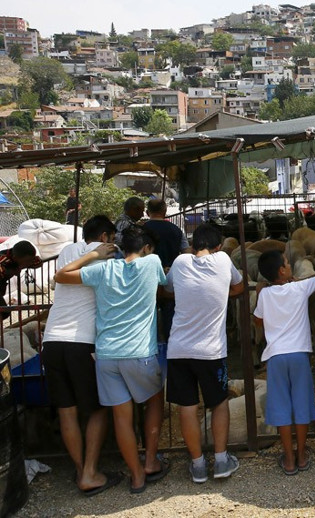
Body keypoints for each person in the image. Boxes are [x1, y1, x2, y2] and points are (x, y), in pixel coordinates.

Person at [55, 227, 170, 494]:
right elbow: (163, 285)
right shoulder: (152, 263)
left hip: (106, 357)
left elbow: (60, 276)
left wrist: (92, 255)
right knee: (155, 399)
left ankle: (136, 476)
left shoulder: (103, 270)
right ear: (146, 248)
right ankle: (151, 461)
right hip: (140, 353)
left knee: (121, 418)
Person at [41, 215, 122, 496]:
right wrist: (98, 254)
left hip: (51, 341)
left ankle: (79, 470)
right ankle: (89, 473)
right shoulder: (105, 259)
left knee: (67, 412)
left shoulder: (67, 251)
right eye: (112, 239)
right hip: (82, 342)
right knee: (97, 410)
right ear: (104, 237)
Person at [163, 224, 244, 483]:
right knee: (218, 403)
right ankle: (221, 460)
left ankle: (197, 464)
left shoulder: (180, 262)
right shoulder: (222, 260)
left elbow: (169, 290)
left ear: (192, 244)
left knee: (187, 407)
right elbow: (239, 286)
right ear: (219, 246)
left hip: (179, 350)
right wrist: (223, 293)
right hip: (211, 351)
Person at [254, 250, 315, 475]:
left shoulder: (264, 295)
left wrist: (260, 293)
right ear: (282, 271)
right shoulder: (299, 288)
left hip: (276, 357)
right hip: (298, 355)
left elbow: (257, 320)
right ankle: (302, 454)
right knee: (302, 404)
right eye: (287, 263)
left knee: (282, 408)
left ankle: (288, 458)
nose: (289, 266)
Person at [143, 198, 190, 354]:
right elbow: (187, 253)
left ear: (147, 212)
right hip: (171, 279)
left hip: (145, 280)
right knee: (170, 316)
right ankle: (171, 351)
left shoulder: (140, 230)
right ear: (165, 212)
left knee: (147, 317)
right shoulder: (176, 230)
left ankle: (151, 349)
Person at [0, 240, 43, 319]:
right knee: (3, 312)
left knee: (4, 312)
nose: (29, 263)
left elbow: (38, 261)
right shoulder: (2, 261)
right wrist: (11, 271)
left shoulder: (18, 257)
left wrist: (20, 267)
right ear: (15, 258)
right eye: (27, 261)